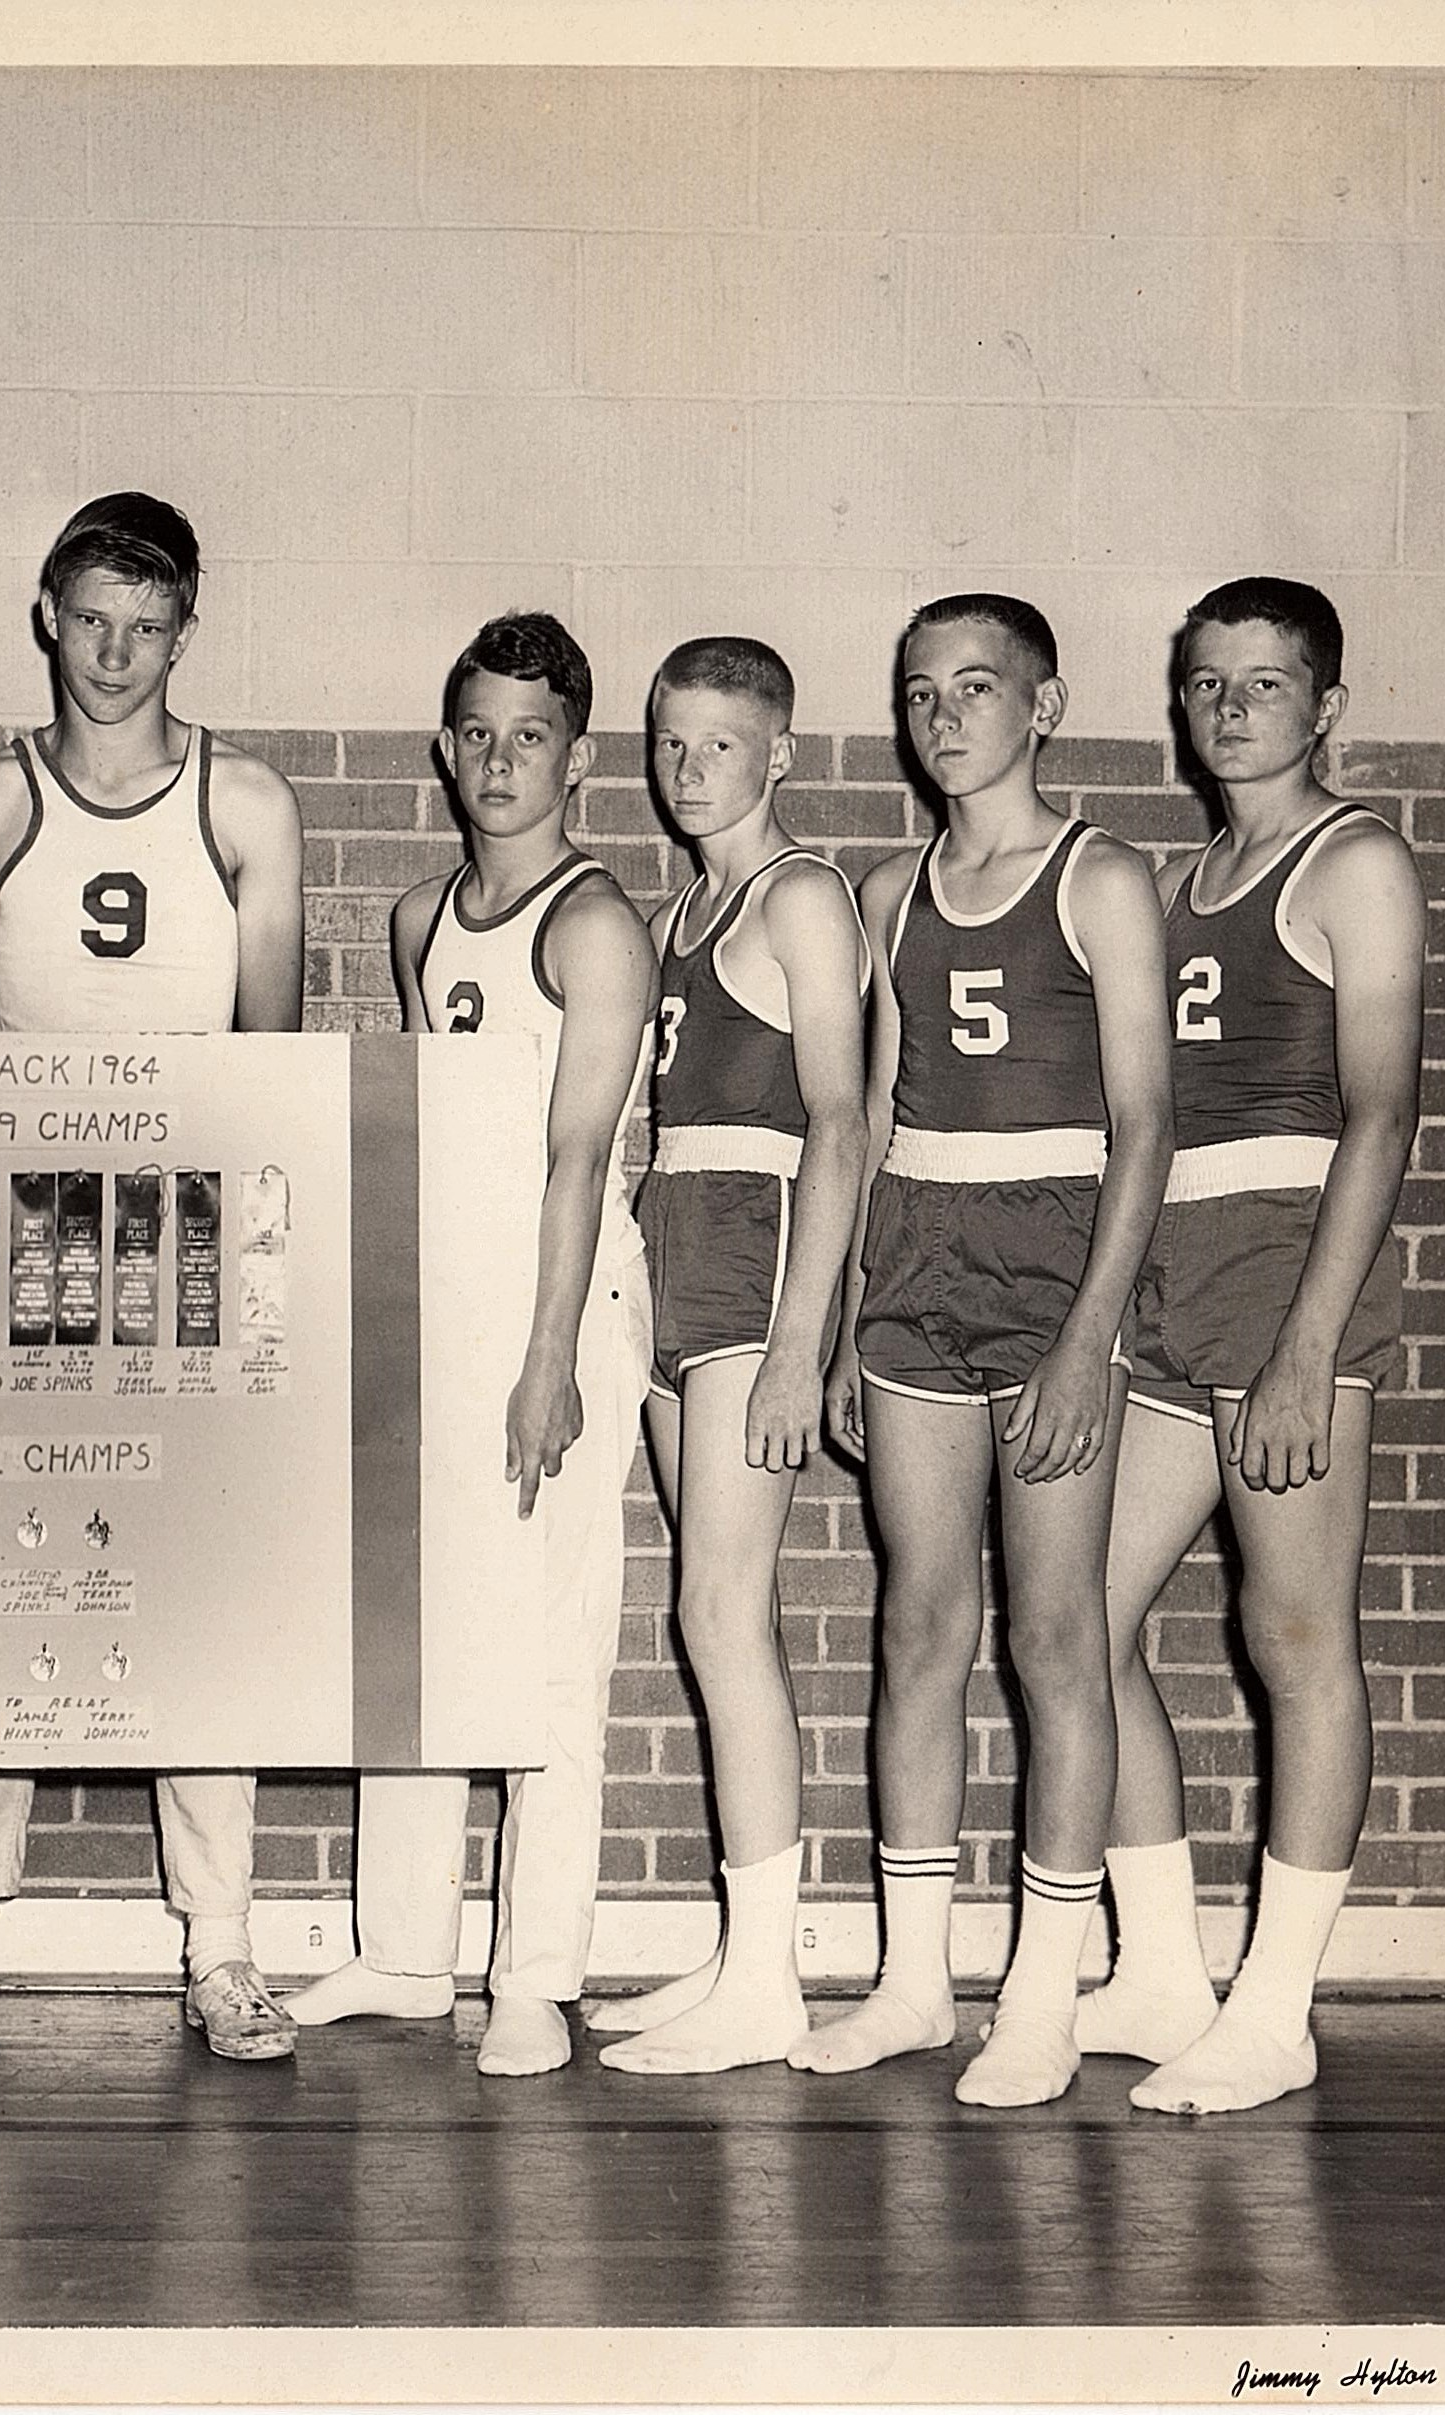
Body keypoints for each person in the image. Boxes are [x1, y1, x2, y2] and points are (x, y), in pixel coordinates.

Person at [0, 491, 306, 2059]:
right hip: (24, 1234)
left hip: (186, 1234)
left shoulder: (245, 801)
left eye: (149, 628)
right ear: (46, 613)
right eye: (91, 622)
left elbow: (272, 1060)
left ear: (186, 630)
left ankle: (226, 1948)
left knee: (199, 1592)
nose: (116, 656)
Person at [794, 593, 1172, 2107]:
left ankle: (1042, 1992)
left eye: (973, 689)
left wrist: (1088, 1336)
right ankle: (908, 1980)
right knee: (916, 1630)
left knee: (1057, 1637)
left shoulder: (1103, 881)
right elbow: (876, 1115)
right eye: (917, 694)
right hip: (916, 1265)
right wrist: (837, 1322)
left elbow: (1146, 1124)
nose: (942, 718)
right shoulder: (888, 892)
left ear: (1044, 703)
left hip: (1050, 1267)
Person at [282, 611, 658, 2077]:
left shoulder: (592, 926)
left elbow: (577, 1159)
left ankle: (536, 1977)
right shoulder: (413, 919)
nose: (501, 762)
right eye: (479, 734)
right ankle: (398, 1951)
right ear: (446, 750)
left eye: (532, 736)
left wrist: (547, 1356)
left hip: (558, 1315)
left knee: (548, 1642)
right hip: (437, 1317)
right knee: (416, 1627)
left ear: (575, 757)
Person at [1077, 580, 1424, 2114]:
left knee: (1294, 1642)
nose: (1231, 708)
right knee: (1073, 1619)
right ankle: (1159, 1967)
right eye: (1207, 683)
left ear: (1324, 706)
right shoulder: (1178, 878)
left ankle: (1273, 2005)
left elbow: (1381, 1114)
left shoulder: (1354, 861)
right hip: (1173, 1282)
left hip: (1290, 1274)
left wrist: (1306, 1346)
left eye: (1265, 683)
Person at [590, 637, 869, 2076]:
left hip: (754, 1250)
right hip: (671, 1244)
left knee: (721, 1611)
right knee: (704, 1616)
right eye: (668, 741)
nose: (688, 767)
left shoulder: (801, 894)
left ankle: (769, 1980)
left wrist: (797, 1344)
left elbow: (843, 1116)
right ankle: (734, 1945)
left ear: (780, 752)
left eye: (717, 742)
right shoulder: (683, 906)